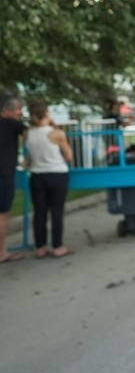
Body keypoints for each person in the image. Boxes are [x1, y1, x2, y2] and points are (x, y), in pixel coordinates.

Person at [25, 101, 74, 259]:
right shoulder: (56, 133)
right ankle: (57, 246)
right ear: (46, 113)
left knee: (39, 212)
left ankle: (40, 247)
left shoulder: (27, 133)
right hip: (56, 174)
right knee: (56, 211)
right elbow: (68, 156)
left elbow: (29, 156)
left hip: (37, 175)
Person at [0, 94, 27, 264]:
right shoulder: (10, 123)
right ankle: (1, 253)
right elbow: (31, 134)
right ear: (6, 110)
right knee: (2, 215)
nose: (20, 113)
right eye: (18, 109)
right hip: (3, 175)